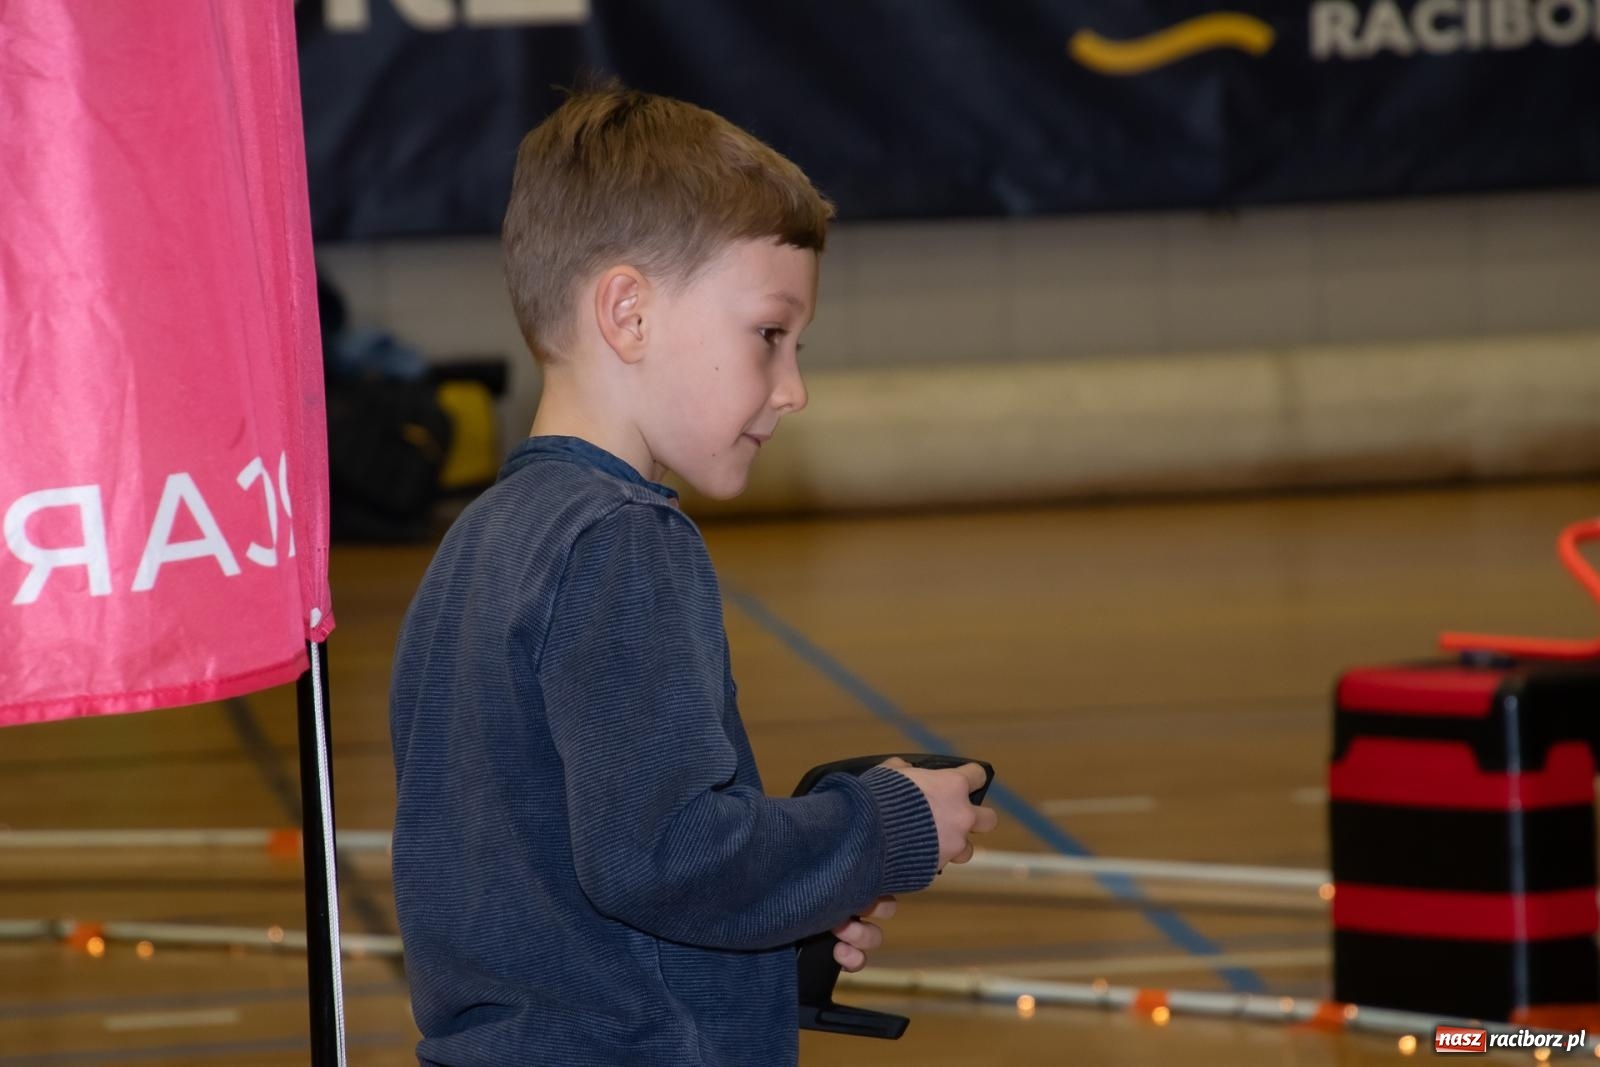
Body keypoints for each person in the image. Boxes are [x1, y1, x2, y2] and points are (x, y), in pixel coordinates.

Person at [389, 84, 997, 1067]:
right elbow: (667, 854)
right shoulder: (624, 538)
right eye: (768, 335)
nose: (792, 389)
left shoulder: (476, 545)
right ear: (627, 312)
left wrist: (787, 909)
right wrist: (881, 827)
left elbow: (554, 876)